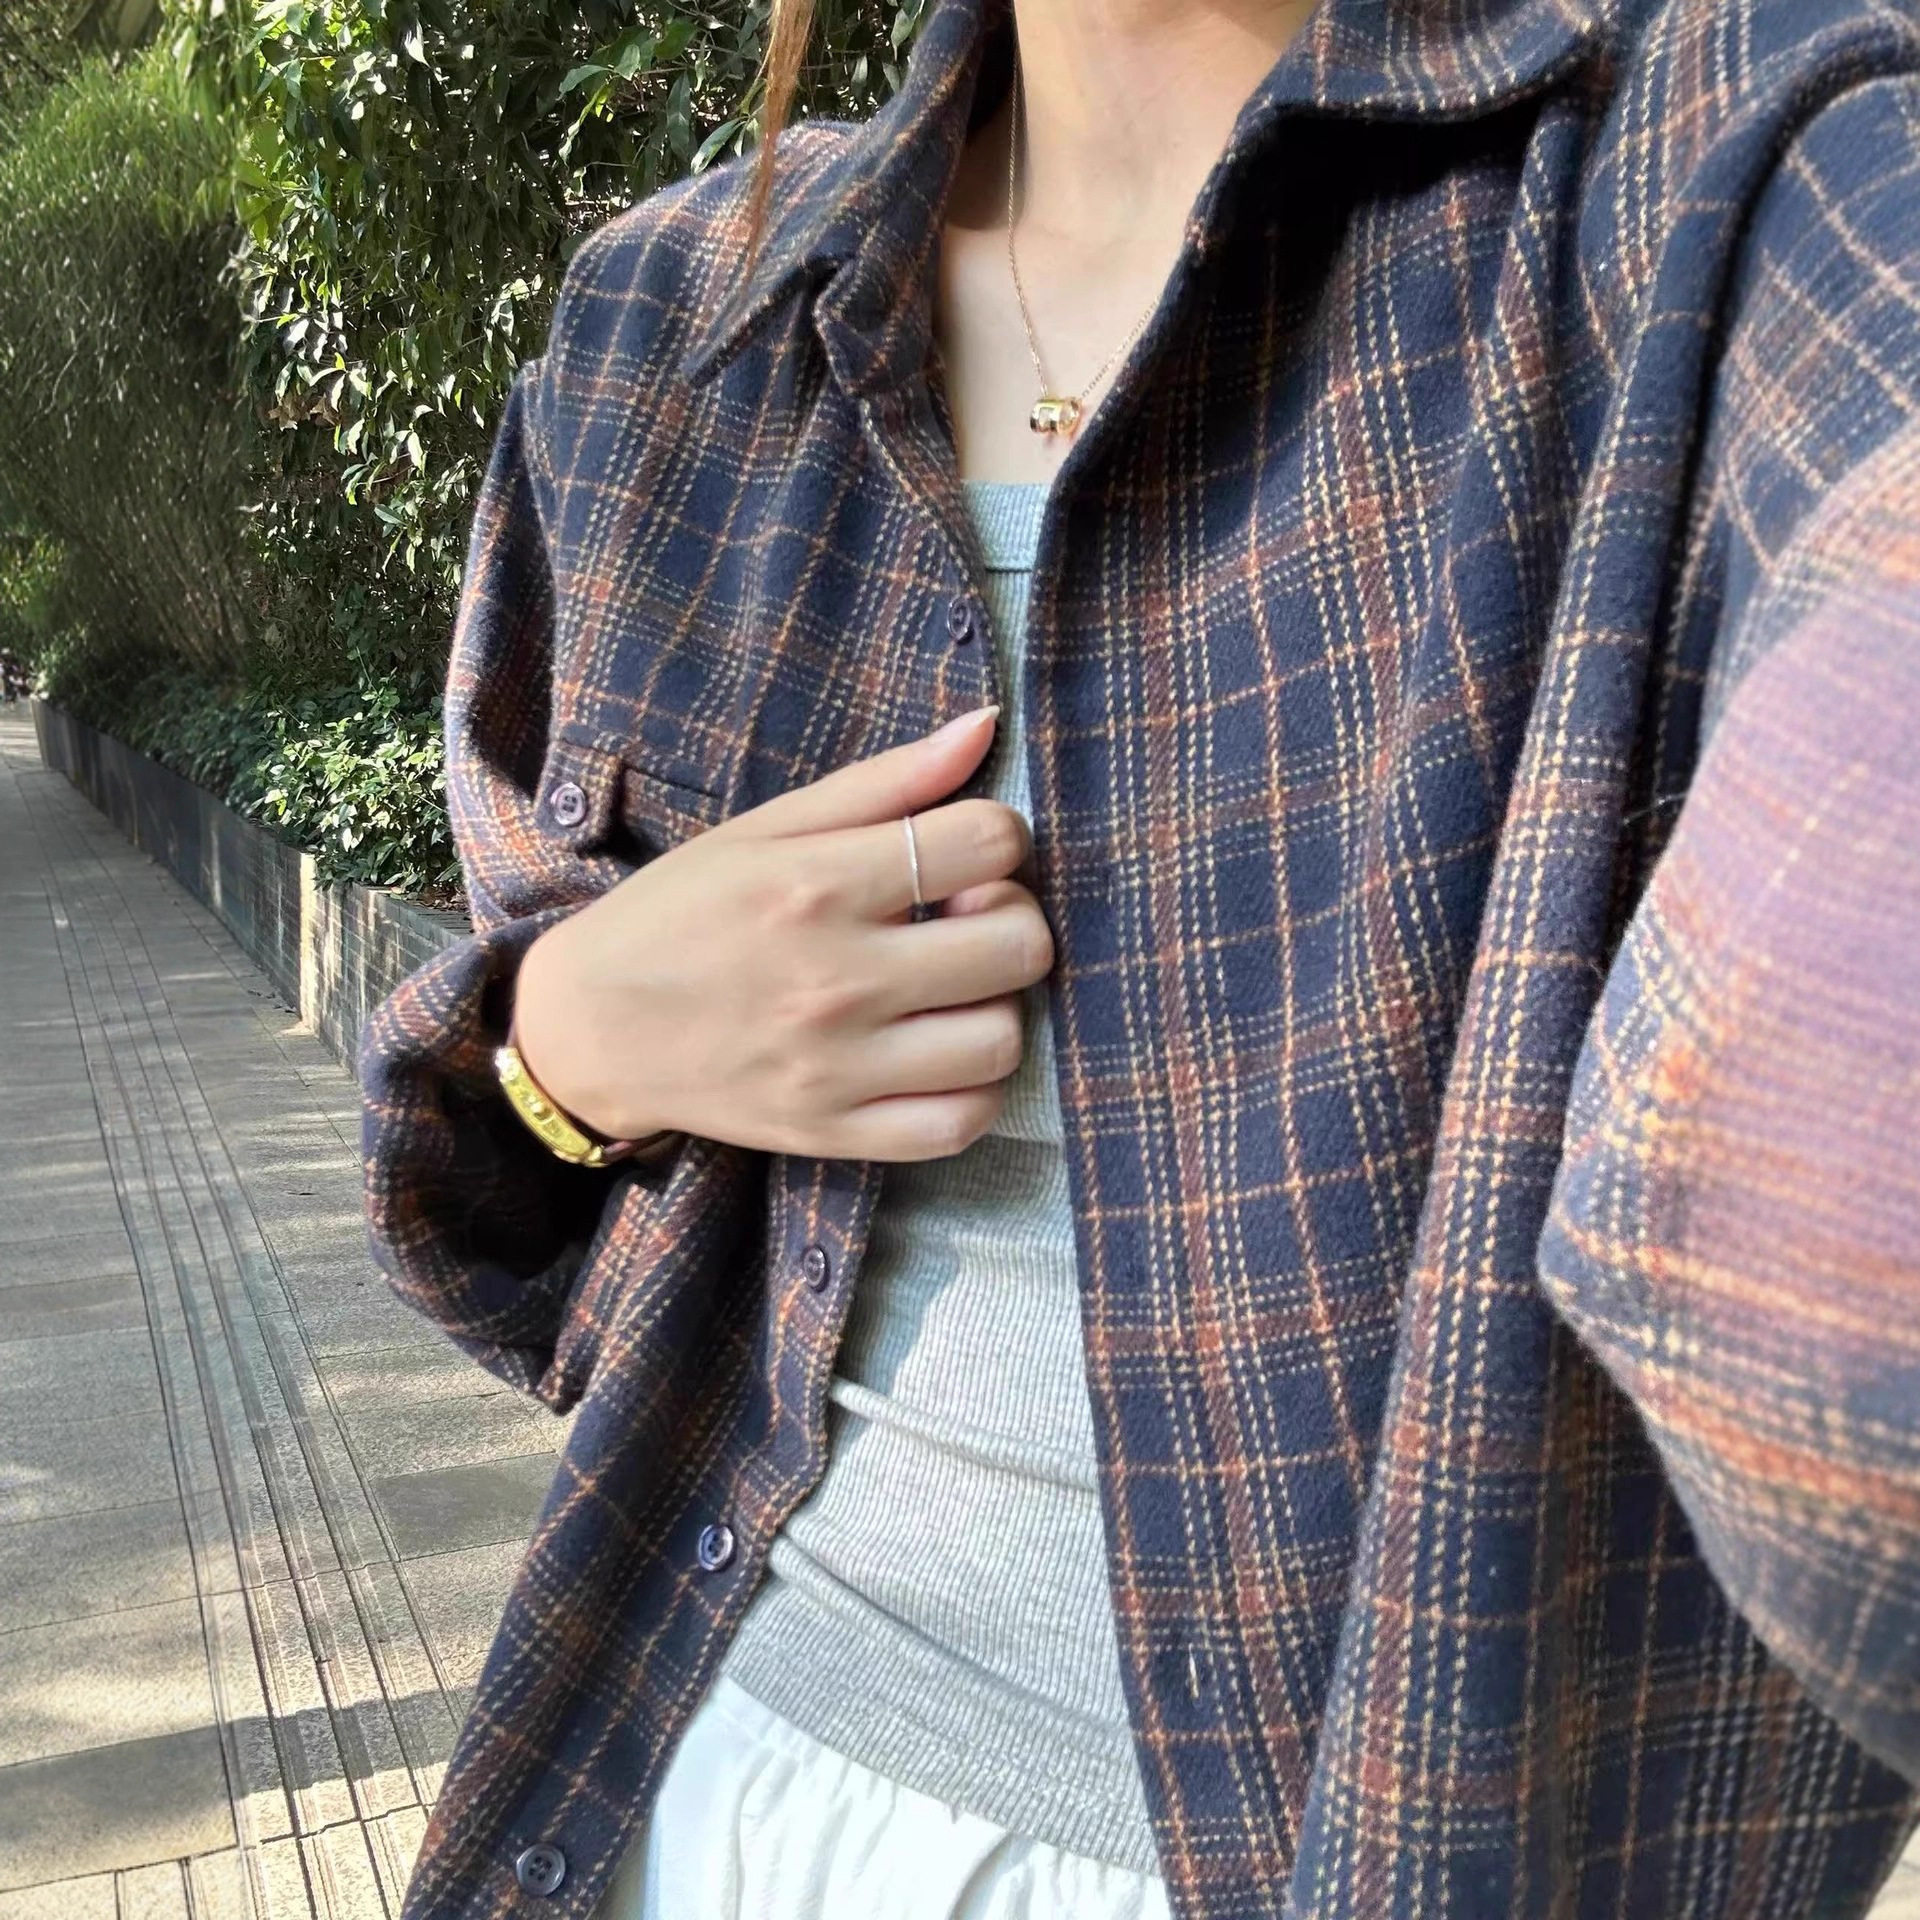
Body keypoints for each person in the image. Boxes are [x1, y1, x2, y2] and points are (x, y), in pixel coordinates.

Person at [357, 0, 1920, 1913]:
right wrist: (570, 1043)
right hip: (668, 1786)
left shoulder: (1743, 178)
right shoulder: (672, 330)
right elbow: (529, 1252)